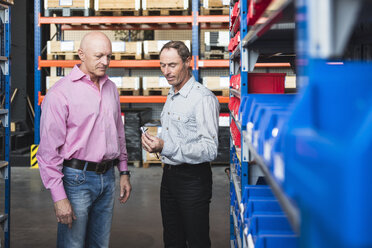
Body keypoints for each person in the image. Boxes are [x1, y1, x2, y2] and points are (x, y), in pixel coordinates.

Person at [36, 31, 132, 248]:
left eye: (108, 56)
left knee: (99, 244)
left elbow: (119, 133)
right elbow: (48, 151)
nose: (105, 62)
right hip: (76, 180)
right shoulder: (60, 93)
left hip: (107, 178)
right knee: (73, 244)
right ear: (81, 54)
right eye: (99, 56)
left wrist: (123, 171)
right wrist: (59, 197)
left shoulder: (111, 89)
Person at [142, 41, 220, 248]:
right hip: (169, 177)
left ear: (188, 62)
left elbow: (210, 149)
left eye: (172, 65)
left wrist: (164, 146)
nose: (166, 71)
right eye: (162, 65)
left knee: (197, 241)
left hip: (193, 180)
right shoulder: (172, 93)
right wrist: (154, 144)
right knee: (172, 239)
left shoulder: (202, 98)